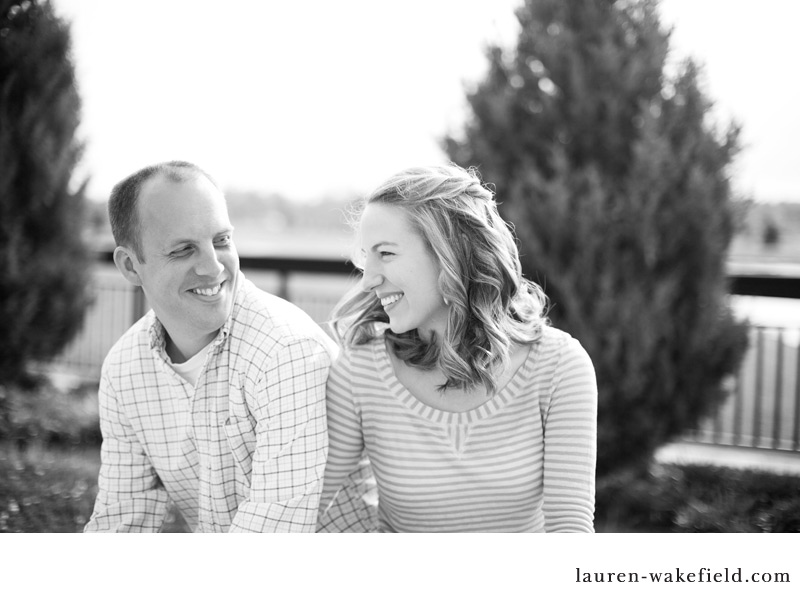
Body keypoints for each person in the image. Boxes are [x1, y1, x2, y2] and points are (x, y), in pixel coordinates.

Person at [316, 164, 598, 533]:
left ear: (451, 253)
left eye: (385, 253)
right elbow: (305, 504)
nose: (368, 280)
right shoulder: (360, 370)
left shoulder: (560, 366)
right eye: (366, 256)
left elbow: (570, 529)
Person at [85, 161, 337, 532]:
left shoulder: (288, 351)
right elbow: (122, 520)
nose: (213, 267)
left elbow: (271, 537)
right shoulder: (124, 368)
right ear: (129, 265)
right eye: (184, 250)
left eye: (221, 241)